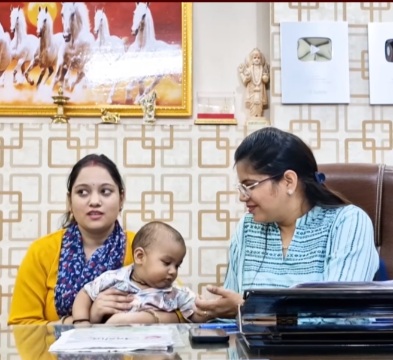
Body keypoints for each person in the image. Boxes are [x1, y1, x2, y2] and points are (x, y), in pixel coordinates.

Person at [194, 127, 380, 320]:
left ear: (289, 181)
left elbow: (340, 313)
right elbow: (232, 311)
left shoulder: (348, 223)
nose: (242, 196)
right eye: (241, 187)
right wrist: (205, 312)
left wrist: (250, 309)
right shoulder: (247, 227)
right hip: (253, 349)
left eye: (249, 185)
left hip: (330, 349)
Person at [7, 154, 179, 325]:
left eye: (105, 191)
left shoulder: (143, 247)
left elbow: (181, 311)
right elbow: (22, 325)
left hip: (132, 352)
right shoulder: (42, 251)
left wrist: (139, 318)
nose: (95, 201)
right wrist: (83, 319)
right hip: (54, 353)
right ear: (69, 201)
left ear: (121, 199)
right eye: (82, 192)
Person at [73, 221, 206, 324]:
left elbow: (196, 314)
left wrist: (205, 311)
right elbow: (85, 293)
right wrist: (81, 322)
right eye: (166, 263)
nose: (173, 271)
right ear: (140, 256)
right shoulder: (114, 279)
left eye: (177, 266)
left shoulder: (175, 293)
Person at [238, 48, 270, 118]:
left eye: (258, 58)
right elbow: (245, 80)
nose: (257, 59)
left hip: (260, 91)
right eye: (255, 57)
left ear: (261, 59)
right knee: (253, 106)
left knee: (259, 106)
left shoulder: (263, 69)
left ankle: (259, 116)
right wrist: (241, 73)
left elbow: (266, 80)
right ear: (251, 59)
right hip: (251, 92)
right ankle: (253, 116)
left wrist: (265, 77)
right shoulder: (249, 70)